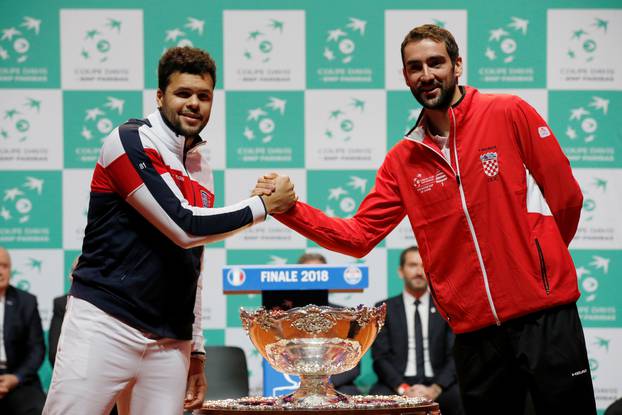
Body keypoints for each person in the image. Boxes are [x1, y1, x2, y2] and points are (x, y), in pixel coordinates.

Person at [257, 24, 596, 415]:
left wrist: (539, 268)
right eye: (414, 67)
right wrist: (289, 210)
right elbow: (359, 236)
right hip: (475, 335)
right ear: (405, 76)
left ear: (457, 65)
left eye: (436, 62)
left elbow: (567, 198)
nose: (426, 74)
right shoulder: (403, 160)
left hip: (546, 319)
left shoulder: (508, 112)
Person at [43, 47, 296, 415]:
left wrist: (196, 350)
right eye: (183, 93)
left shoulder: (200, 163)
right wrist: (262, 206)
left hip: (170, 340)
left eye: (204, 96)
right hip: (105, 324)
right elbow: (184, 226)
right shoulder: (128, 141)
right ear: (160, 96)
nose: (194, 103)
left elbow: (193, 260)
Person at [371, 246, 462, 415]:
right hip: (397, 384)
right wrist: (404, 388)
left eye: (423, 266)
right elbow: (380, 358)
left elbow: (454, 355)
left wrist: (436, 388)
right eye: (412, 265)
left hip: (438, 383)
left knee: (461, 397)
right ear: (400, 271)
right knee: (377, 400)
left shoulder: (446, 308)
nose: (419, 272)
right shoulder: (384, 309)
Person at [263, 252, 361, 395]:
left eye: (318, 273)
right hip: (292, 382)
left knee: (352, 393)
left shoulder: (344, 315)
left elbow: (354, 365)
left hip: (335, 384)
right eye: (307, 274)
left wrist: (322, 384)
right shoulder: (282, 318)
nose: (313, 281)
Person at [0, 247, 46, 415]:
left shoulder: (27, 301)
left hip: (18, 378)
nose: (0, 271)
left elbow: (37, 349)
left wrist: (16, 378)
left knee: (39, 409)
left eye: (4, 266)